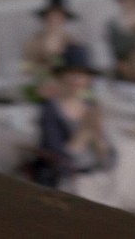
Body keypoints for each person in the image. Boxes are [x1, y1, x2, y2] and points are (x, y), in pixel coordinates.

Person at [29, 45, 115, 189]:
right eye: (72, 73)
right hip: (65, 182)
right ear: (61, 76)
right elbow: (57, 163)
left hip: (94, 179)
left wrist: (98, 136)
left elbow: (109, 161)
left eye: (82, 75)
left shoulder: (91, 106)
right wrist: (85, 132)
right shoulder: (50, 109)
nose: (77, 79)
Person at [23, 0, 80, 75]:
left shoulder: (73, 41)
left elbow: (78, 68)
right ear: (45, 17)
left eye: (59, 16)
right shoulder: (33, 42)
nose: (54, 19)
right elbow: (26, 69)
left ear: (64, 18)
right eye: (52, 15)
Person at [105, 0, 135, 79]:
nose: (127, 3)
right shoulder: (114, 22)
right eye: (124, 0)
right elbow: (114, 48)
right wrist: (122, 63)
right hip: (124, 61)